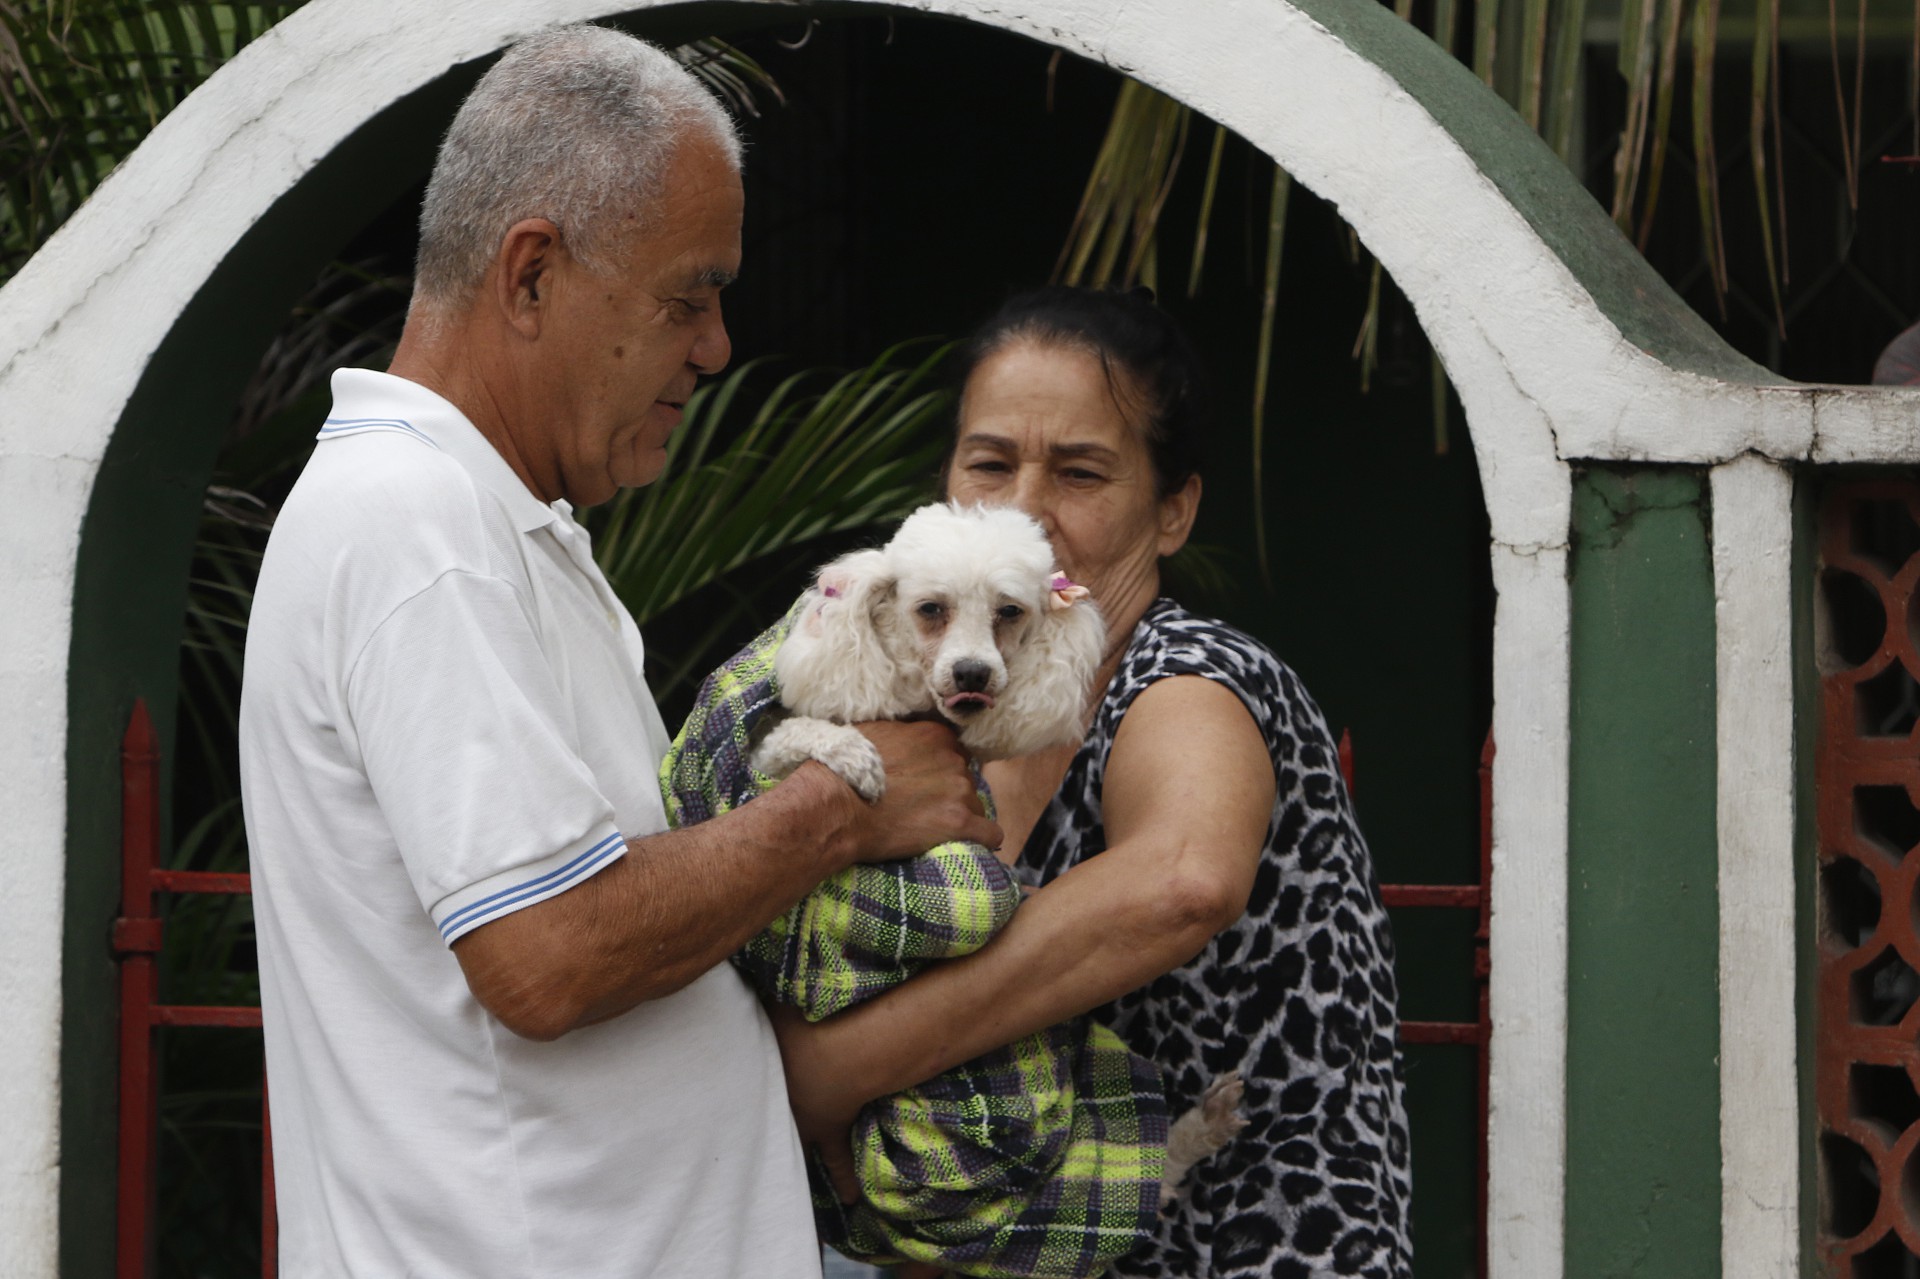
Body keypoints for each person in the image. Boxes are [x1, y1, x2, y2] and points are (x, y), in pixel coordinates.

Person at [237, 26, 996, 1279]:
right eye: (686, 297)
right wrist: (841, 806)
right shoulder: (419, 527)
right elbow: (545, 953)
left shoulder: (481, 518)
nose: (715, 346)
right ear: (530, 276)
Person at [774, 287, 1412, 1278]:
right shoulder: (944, 718)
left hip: (1249, 1247)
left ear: (1173, 512)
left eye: (1079, 473)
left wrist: (832, 1069)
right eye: (990, 464)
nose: (1026, 507)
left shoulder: (1194, 676)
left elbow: (1184, 879)